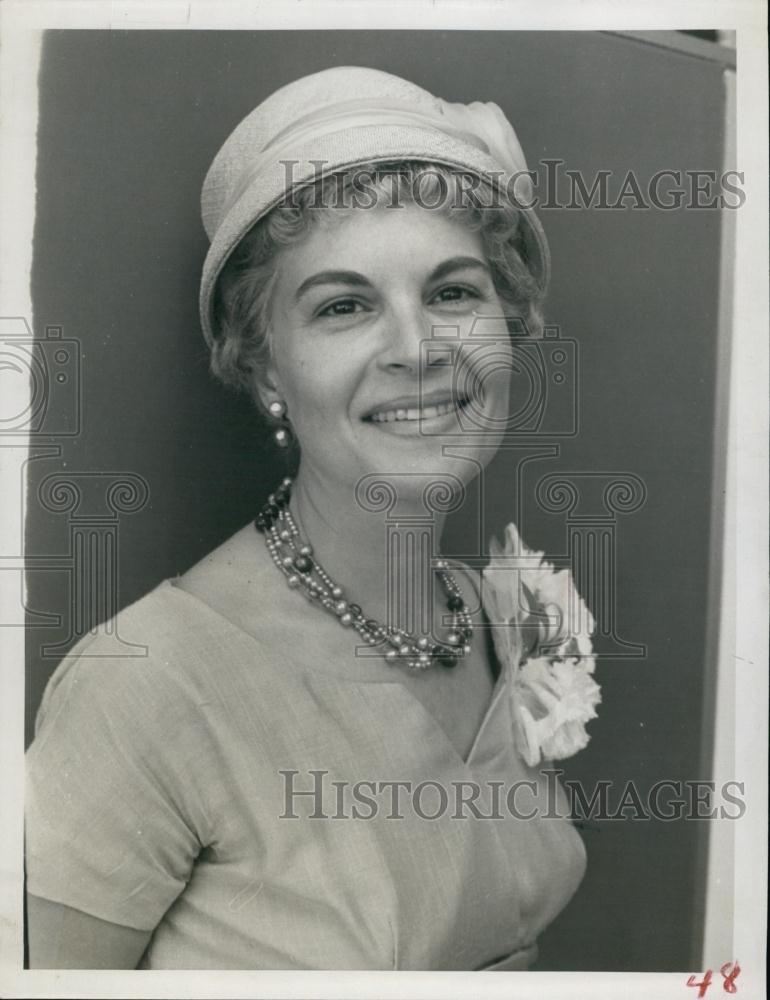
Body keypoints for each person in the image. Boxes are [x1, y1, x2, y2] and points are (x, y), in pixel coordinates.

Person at [25, 65, 599, 970]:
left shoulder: (507, 623)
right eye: (344, 306)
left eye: (453, 292)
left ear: (510, 323)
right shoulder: (142, 691)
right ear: (263, 370)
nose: (418, 349)